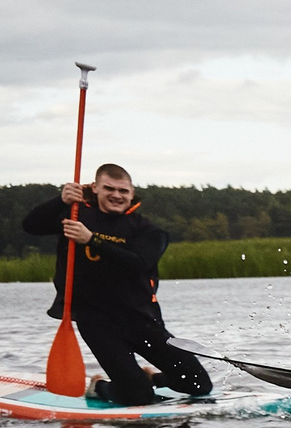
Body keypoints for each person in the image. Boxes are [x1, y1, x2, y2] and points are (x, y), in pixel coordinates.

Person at [20, 164, 213, 406]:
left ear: (132, 194)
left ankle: (150, 378)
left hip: (142, 320)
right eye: (109, 189)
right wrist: (60, 200)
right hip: (98, 323)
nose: (116, 195)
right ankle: (99, 387)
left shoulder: (148, 230)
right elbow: (31, 226)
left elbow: (138, 264)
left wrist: (91, 240)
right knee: (139, 397)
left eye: (123, 191)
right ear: (95, 188)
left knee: (199, 385)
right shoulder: (76, 215)